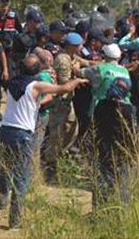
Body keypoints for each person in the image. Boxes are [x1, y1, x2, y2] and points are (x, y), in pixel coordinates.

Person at [0, 55, 88, 229]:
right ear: (37, 70)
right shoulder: (36, 85)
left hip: (6, 129)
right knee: (22, 176)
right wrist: (77, 80)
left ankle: (0, 200)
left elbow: (30, 101)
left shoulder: (14, 82)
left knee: (6, 167)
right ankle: (15, 220)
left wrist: (41, 101)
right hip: (22, 133)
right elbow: (63, 88)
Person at [43, 32, 89, 181]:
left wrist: (105, 63)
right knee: (57, 133)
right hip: (60, 102)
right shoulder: (63, 60)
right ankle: (51, 165)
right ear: (72, 46)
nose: (81, 47)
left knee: (71, 130)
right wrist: (78, 76)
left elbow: (87, 62)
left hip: (67, 102)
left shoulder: (72, 57)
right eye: (79, 45)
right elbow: (64, 83)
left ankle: (60, 158)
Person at [93, 78, 136, 207]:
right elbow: (132, 133)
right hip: (113, 151)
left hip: (111, 151)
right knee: (119, 185)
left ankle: (103, 210)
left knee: (112, 184)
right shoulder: (128, 109)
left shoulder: (101, 105)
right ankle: (110, 211)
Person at [80, 43, 130, 117]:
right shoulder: (125, 71)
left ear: (105, 56)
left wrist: (75, 63)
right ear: (119, 57)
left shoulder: (101, 68)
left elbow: (80, 72)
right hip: (123, 108)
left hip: (101, 108)